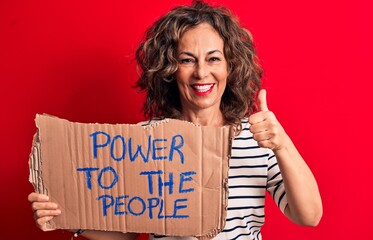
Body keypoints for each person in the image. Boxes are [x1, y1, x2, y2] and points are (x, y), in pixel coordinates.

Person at [28, 1, 323, 239]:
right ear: (169, 68)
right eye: (187, 59)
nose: (201, 73)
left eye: (213, 58)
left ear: (231, 66)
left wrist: (281, 144)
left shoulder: (261, 139)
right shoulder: (145, 141)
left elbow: (309, 216)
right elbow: (126, 232)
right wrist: (67, 216)